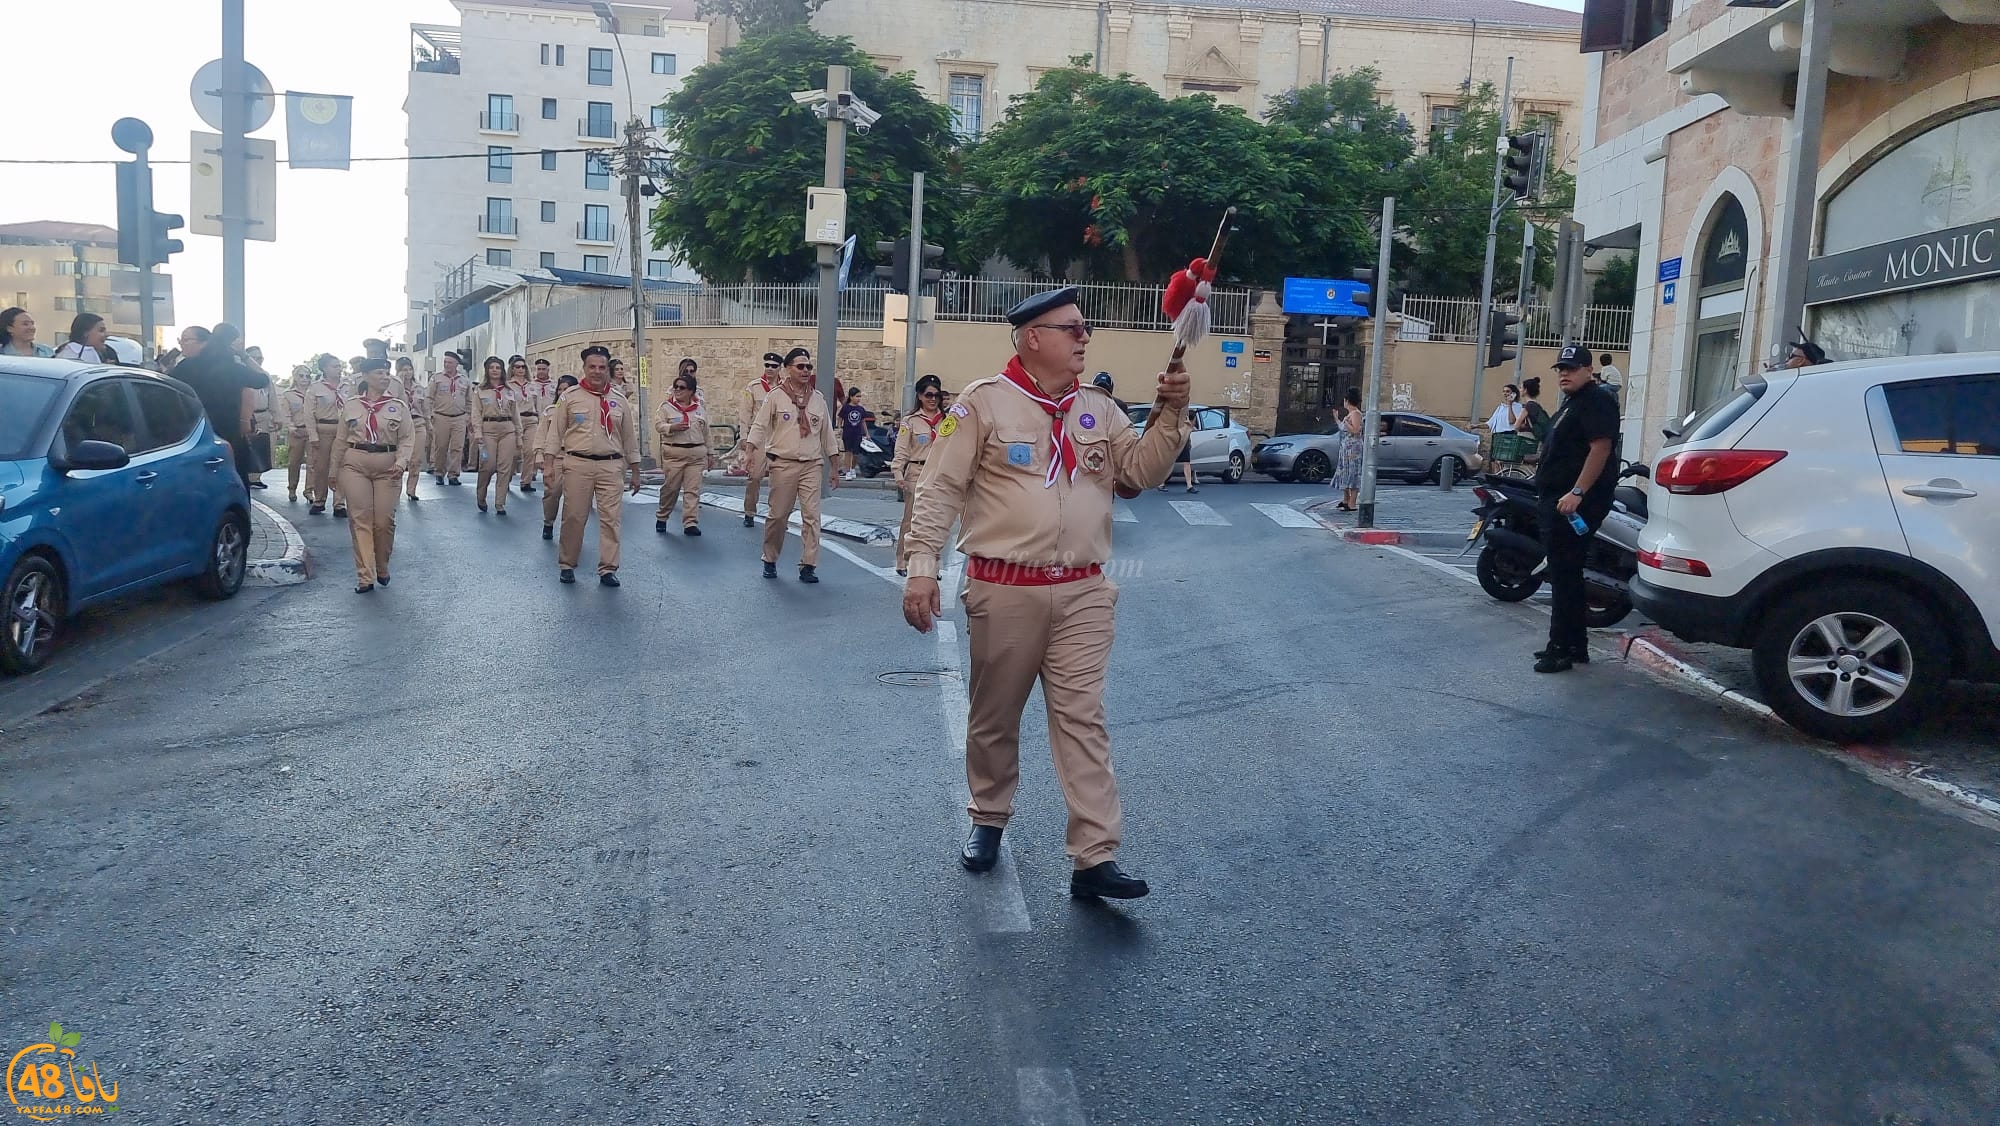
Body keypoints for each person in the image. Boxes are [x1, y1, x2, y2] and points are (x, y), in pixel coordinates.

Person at [901, 286, 1191, 900]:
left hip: (1084, 591)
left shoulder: (1100, 409)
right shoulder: (983, 404)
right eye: (1072, 329)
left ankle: (1094, 855)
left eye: (1084, 329)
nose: (1084, 337)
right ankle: (988, 816)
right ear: (1033, 337)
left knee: (1083, 720)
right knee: (994, 718)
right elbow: (940, 490)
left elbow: (1140, 473)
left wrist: (1169, 416)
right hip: (1005, 589)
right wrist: (921, 567)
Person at [1534, 345, 1620, 674]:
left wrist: (1577, 491)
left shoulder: (1597, 400)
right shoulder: (1575, 402)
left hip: (1574, 503)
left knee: (1564, 574)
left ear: (1588, 369)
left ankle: (1561, 649)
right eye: (1560, 369)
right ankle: (1575, 644)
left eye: (1571, 368)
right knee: (1565, 574)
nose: (1564, 374)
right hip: (1558, 499)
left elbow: (1600, 448)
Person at [744, 347, 841, 583]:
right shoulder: (776, 396)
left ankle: (808, 565)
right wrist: (749, 451)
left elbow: (827, 434)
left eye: (809, 366)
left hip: (811, 465)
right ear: (788, 369)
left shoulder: (817, 400)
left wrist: (835, 466)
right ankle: (770, 558)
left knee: (812, 517)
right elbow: (759, 425)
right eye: (801, 366)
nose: (806, 370)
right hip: (783, 464)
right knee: (778, 516)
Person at [548, 345, 641, 586]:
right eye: (592, 367)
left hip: (611, 465)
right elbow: (555, 433)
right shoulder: (570, 397)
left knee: (611, 518)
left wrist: (636, 469)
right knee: (574, 517)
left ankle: (608, 568)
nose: (597, 372)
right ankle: (567, 563)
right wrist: (548, 465)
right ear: (584, 368)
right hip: (578, 464)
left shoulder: (619, 400)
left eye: (602, 367)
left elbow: (629, 437)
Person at [330, 358, 414, 594]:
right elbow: (340, 440)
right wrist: (333, 471)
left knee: (384, 521)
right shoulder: (352, 405)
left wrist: (401, 462)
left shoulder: (398, 406)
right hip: (355, 464)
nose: (385, 376)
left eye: (387, 373)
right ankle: (365, 575)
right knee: (360, 519)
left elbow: (407, 438)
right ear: (365, 376)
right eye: (379, 373)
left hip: (388, 467)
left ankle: (382, 566)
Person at [173, 322, 267, 474]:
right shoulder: (232, 368)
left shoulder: (185, 366)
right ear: (232, 344)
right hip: (229, 433)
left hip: (195, 432)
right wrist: (244, 355)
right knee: (235, 476)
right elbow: (263, 380)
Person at [890, 376, 945, 577]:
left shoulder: (947, 421)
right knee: (911, 520)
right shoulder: (910, 421)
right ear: (920, 396)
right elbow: (902, 450)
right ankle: (902, 559)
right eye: (928, 395)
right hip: (916, 473)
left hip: (939, 475)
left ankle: (932, 564)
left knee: (936, 521)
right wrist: (898, 473)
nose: (933, 399)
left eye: (936, 395)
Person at [654, 369, 710, 536]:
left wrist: (711, 453)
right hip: (675, 454)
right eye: (675, 387)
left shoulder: (699, 409)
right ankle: (662, 516)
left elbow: (706, 432)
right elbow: (658, 425)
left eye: (682, 387)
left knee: (692, 490)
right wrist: (672, 427)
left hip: (696, 454)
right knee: (670, 489)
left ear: (691, 391)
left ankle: (690, 522)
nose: (677, 390)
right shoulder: (666, 408)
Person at [737, 352, 784, 528]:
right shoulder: (753, 387)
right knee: (755, 477)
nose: (770, 369)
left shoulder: (785, 388)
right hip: (759, 437)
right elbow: (745, 413)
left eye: (774, 366)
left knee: (779, 479)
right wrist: (744, 437)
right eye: (767, 365)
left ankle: (777, 514)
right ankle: (749, 511)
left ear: (780, 368)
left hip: (779, 437)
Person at [472, 356, 521, 514]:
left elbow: (516, 414)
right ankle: (481, 495)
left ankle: (500, 503)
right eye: (492, 367)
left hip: (507, 429)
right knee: (488, 465)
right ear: (487, 370)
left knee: (504, 467)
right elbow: (476, 414)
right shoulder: (480, 390)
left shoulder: (508, 391)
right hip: (488, 430)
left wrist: (519, 435)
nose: (495, 370)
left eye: (498, 367)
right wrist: (478, 432)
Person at [533, 375, 579, 540]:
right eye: (560, 389)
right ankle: (548, 521)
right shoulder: (550, 411)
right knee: (552, 492)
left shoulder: (582, 410)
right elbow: (541, 434)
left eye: (566, 389)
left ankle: (570, 530)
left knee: (574, 497)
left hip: (576, 457)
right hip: (556, 456)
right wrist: (539, 454)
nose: (562, 392)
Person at [304, 354, 349, 516]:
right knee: (321, 467)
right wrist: (313, 435)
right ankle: (319, 500)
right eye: (334, 366)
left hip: (343, 430)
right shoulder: (315, 388)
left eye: (339, 366)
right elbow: (308, 414)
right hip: (323, 429)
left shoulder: (348, 386)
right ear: (324, 368)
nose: (339, 369)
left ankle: (339, 503)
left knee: (341, 466)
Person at [429, 350, 471, 486]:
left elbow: (469, 400)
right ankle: (439, 473)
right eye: (445, 362)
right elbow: (429, 397)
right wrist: (430, 414)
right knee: (440, 447)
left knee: (457, 447)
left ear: (456, 364)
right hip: (441, 417)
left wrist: (468, 416)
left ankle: (453, 475)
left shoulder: (464, 380)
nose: (447, 364)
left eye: (450, 362)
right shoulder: (437, 378)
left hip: (459, 417)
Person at [520, 357, 557, 493]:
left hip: (551, 419)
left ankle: (547, 469)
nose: (541, 372)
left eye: (544, 369)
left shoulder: (554, 384)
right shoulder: (530, 385)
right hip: (535, 419)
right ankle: (530, 475)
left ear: (548, 370)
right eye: (539, 369)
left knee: (549, 446)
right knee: (533, 448)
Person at [396, 357, 429, 500]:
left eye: (409, 369)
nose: (407, 372)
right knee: (399, 459)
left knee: (416, 460)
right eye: (404, 370)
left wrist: (429, 424)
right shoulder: (394, 387)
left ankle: (412, 489)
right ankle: (395, 490)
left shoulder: (419, 388)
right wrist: (400, 383)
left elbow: (425, 408)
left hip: (418, 423)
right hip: (401, 424)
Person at [279, 365, 313, 502]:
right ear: (295, 377)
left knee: (313, 463)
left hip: (312, 431)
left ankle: (309, 490)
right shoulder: (288, 394)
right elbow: (285, 414)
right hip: (297, 430)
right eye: (301, 376)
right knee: (294, 462)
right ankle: (292, 488)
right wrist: (291, 427)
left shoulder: (314, 392)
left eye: (307, 376)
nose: (305, 379)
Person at [1333, 387, 1363, 511]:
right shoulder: (1349, 414)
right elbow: (1343, 428)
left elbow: (1355, 430)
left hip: (1353, 450)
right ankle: (1346, 499)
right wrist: (1337, 419)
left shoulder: (1356, 413)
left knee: (1353, 474)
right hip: (1346, 449)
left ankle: (1352, 503)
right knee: (1345, 473)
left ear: (1347, 401)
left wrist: (1346, 422)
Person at [838, 387, 875, 481]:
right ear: (851, 397)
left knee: (856, 454)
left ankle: (853, 468)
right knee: (848, 452)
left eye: (860, 396)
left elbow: (863, 421)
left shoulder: (861, 409)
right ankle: (848, 471)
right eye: (857, 396)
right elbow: (840, 418)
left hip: (857, 434)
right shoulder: (846, 408)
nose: (858, 398)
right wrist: (839, 428)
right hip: (847, 433)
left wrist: (867, 434)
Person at [1520, 376, 1551, 446]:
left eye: (1521, 388)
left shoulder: (1528, 406)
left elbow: (1516, 425)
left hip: (1531, 441)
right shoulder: (1537, 406)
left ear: (1525, 390)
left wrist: (1524, 427)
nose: (1520, 390)